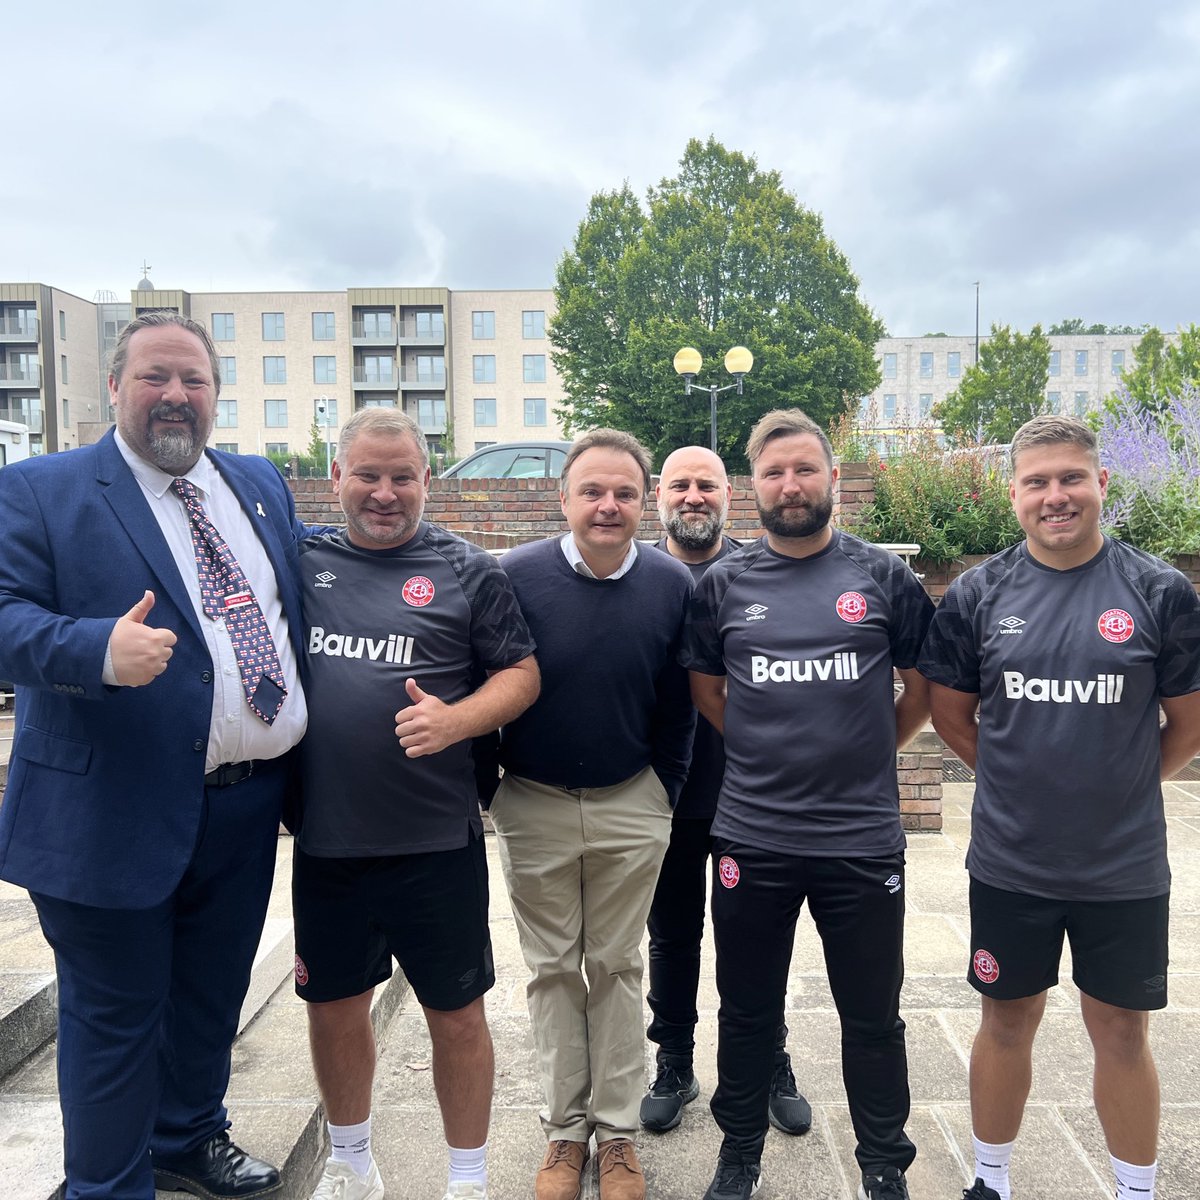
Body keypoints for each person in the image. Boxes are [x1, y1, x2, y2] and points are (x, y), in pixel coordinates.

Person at [0, 311, 313, 1200]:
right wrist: (93, 648)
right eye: (154, 379)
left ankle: (186, 1136)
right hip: (107, 812)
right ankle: (105, 1186)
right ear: (115, 387)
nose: (175, 397)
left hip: (247, 805)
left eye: (194, 381)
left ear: (216, 394)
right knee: (116, 1016)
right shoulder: (38, 491)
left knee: (210, 998)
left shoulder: (255, 483)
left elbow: (295, 598)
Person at [918, 415, 1200, 1200]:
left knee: (1122, 1032)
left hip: (1125, 866)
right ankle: (991, 1179)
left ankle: (1136, 1189)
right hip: (1013, 861)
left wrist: (1121, 784)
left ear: (1102, 483)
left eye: (1071, 477)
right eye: (1037, 482)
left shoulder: (1160, 591)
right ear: (1014, 495)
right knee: (1006, 1023)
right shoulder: (978, 593)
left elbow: (1189, 725)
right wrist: (1019, 779)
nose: (1056, 496)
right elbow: (950, 717)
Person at [681, 409, 933, 1200]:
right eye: (774, 473)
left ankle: (884, 1163)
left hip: (861, 840)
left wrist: (865, 747)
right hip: (753, 837)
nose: (791, 486)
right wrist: (769, 747)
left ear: (833, 478)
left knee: (873, 1015)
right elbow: (710, 692)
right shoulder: (724, 584)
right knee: (747, 1010)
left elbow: (922, 688)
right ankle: (740, 1151)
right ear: (756, 487)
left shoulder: (883, 578)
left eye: (805, 469)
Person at [293, 407, 540, 1200]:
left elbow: (522, 675)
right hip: (327, 842)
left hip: (436, 841)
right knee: (333, 1009)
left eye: (403, 476)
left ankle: (466, 1180)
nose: (385, 492)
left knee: (458, 1016)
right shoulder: (299, 563)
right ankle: (352, 1164)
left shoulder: (469, 570)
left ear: (427, 480)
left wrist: (456, 719)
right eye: (367, 474)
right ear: (337, 477)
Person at [490, 429, 695, 1200]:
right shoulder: (514, 577)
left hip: (629, 805)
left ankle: (617, 1137)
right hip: (534, 806)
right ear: (563, 498)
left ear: (645, 503)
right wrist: (493, 791)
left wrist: (662, 795)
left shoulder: (673, 585)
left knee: (615, 967)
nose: (608, 507)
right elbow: (487, 682)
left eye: (625, 494)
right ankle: (563, 1134)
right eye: (592, 492)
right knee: (550, 974)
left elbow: (681, 708)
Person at [640, 446, 810, 1138]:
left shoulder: (755, 570)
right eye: (680, 485)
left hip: (751, 795)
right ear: (659, 495)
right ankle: (675, 1062)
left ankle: (768, 1058)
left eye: (705, 485)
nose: (693, 497)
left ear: (728, 496)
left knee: (756, 940)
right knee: (672, 937)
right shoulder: (637, 575)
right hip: (662, 796)